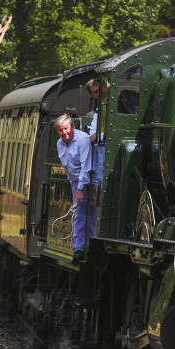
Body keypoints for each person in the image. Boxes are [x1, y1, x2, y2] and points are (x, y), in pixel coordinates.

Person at [54, 114, 96, 261]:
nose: (64, 132)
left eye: (66, 129)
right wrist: (75, 186)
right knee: (79, 215)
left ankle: (87, 248)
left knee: (88, 215)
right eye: (60, 130)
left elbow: (86, 166)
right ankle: (79, 248)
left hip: (88, 181)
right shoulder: (59, 143)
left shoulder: (83, 140)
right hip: (74, 182)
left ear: (71, 126)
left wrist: (80, 189)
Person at [86, 78, 106, 196]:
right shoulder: (98, 111)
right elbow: (92, 137)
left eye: (97, 91)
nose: (96, 96)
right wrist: (105, 134)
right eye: (94, 93)